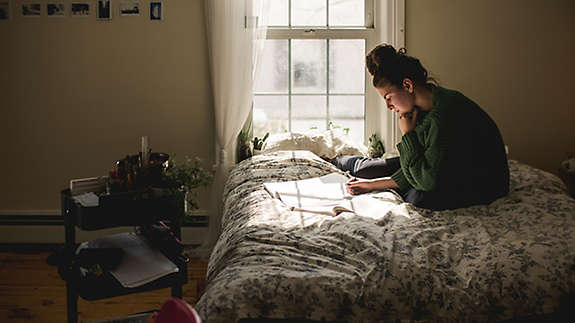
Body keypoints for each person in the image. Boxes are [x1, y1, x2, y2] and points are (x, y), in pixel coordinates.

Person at [334, 44, 509, 210]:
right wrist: (370, 185)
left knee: (419, 197)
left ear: (407, 85)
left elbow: (425, 180)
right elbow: (414, 166)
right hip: (440, 167)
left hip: (482, 185)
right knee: (368, 169)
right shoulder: (421, 109)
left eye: (389, 97)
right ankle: (332, 160)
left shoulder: (444, 114)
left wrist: (408, 134)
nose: (388, 107)